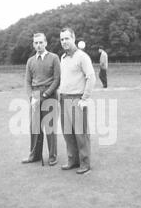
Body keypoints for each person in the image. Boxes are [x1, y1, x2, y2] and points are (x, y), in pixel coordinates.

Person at [59, 27, 96, 174]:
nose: (64, 42)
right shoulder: (62, 57)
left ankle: (85, 164)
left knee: (81, 134)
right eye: (62, 39)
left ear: (73, 38)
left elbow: (91, 77)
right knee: (68, 133)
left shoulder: (82, 57)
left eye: (67, 38)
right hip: (64, 98)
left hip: (77, 99)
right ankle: (72, 160)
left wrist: (84, 98)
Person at [22, 33, 61, 166]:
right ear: (33, 44)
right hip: (35, 95)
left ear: (45, 43)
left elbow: (57, 80)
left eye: (40, 42)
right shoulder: (30, 61)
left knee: (50, 128)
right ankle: (35, 155)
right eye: (36, 43)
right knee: (34, 128)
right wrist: (31, 97)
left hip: (50, 95)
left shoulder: (54, 58)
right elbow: (27, 81)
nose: (38, 45)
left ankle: (52, 156)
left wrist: (46, 94)